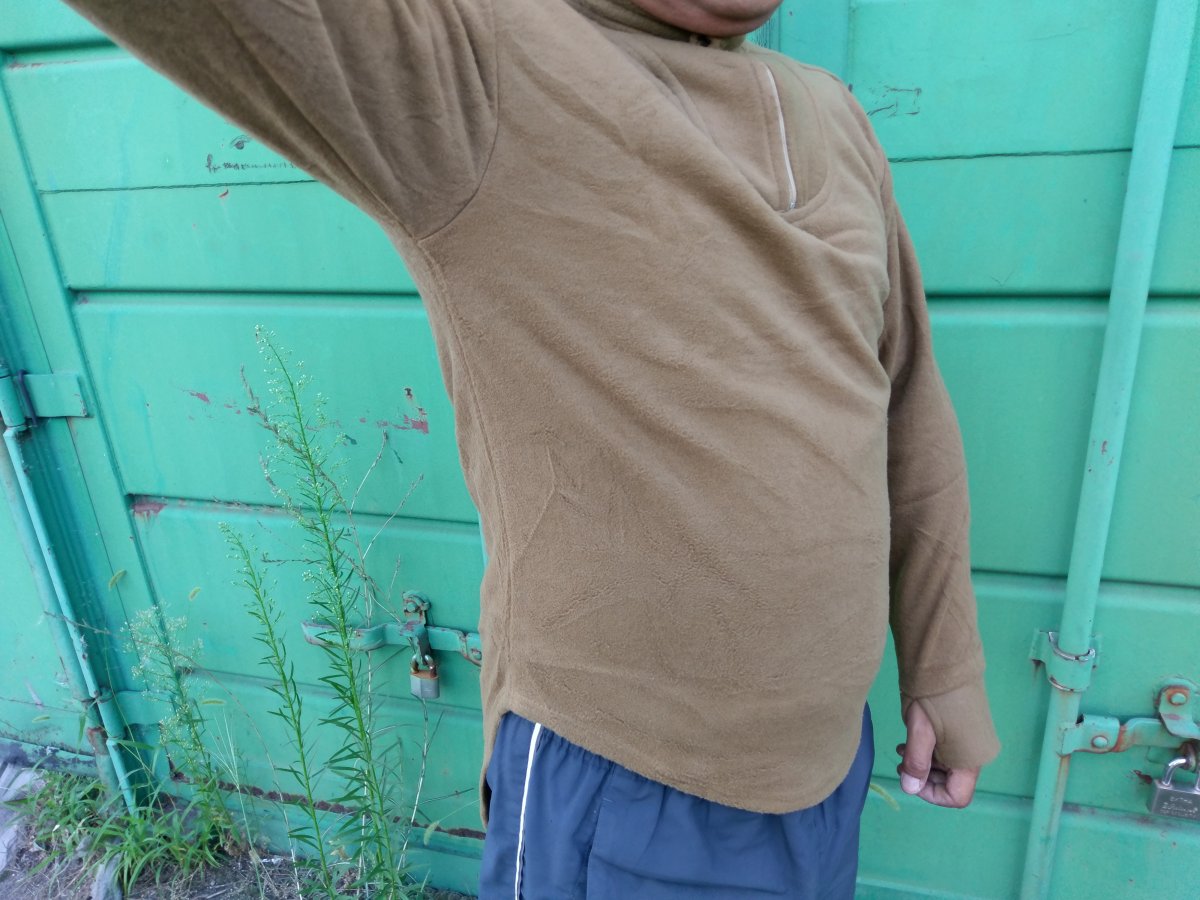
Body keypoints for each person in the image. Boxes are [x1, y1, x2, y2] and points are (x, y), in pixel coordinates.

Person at [61, 0, 1002, 895]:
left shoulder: (832, 114)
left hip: (830, 765)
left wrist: (944, 663)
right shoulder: (480, 67)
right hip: (630, 781)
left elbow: (905, 400)